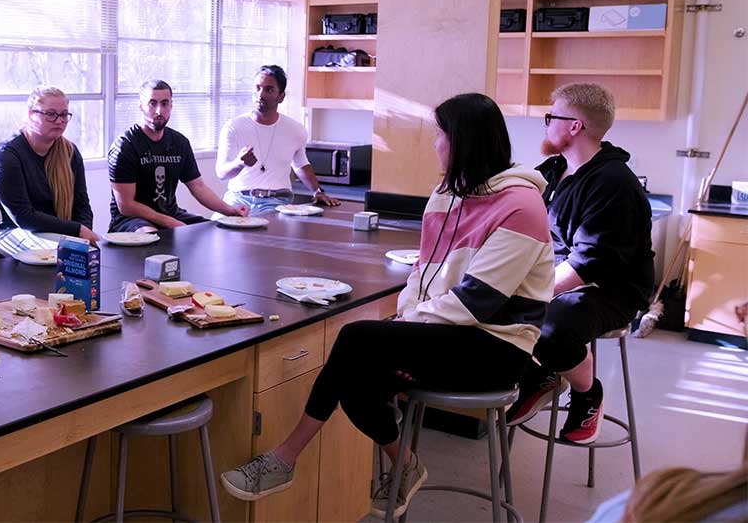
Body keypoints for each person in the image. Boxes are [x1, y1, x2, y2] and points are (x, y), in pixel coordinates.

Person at [221, 93, 554, 518]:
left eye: (440, 136)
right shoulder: (448, 194)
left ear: (464, 141)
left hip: (497, 347)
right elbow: (424, 272)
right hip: (449, 332)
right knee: (354, 376)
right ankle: (406, 463)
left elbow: (478, 302)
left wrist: (407, 325)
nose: (435, 145)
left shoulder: (521, 207)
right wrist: (405, 318)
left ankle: (285, 457)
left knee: (355, 337)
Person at [507, 83, 654, 445]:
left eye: (550, 117)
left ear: (574, 126)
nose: (545, 125)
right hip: (562, 275)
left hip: (610, 289)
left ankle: (587, 392)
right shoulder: (555, 170)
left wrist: (533, 293)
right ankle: (539, 376)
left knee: (549, 326)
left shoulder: (614, 183)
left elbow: (589, 263)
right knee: (487, 303)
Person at [108, 79, 248, 233]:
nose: (159, 111)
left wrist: (230, 211)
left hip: (169, 213)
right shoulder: (125, 146)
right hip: (131, 219)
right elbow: (126, 206)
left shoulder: (179, 143)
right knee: (150, 234)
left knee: (213, 231)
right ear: (141, 106)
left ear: (171, 106)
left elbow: (198, 187)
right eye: (152, 103)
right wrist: (170, 222)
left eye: (165, 103)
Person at [215, 65, 341, 214]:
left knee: (264, 232)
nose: (260, 95)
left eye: (269, 89)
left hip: (276, 201)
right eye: (257, 88)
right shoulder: (233, 127)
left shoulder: (295, 129)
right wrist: (239, 163)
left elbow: (301, 165)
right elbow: (221, 173)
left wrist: (317, 191)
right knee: (215, 230)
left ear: (281, 96)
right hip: (237, 199)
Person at [0, 85, 97, 256]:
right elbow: (23, 216)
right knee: (54, 254)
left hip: (55, 231)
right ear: (31, 114)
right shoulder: (6, 155)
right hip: (13, 232)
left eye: (63, 114)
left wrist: (82, 236)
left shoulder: (70, 152)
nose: (59, 120)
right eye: (51, 114)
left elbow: (81, 205)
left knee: (86, 253)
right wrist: (77, 230)